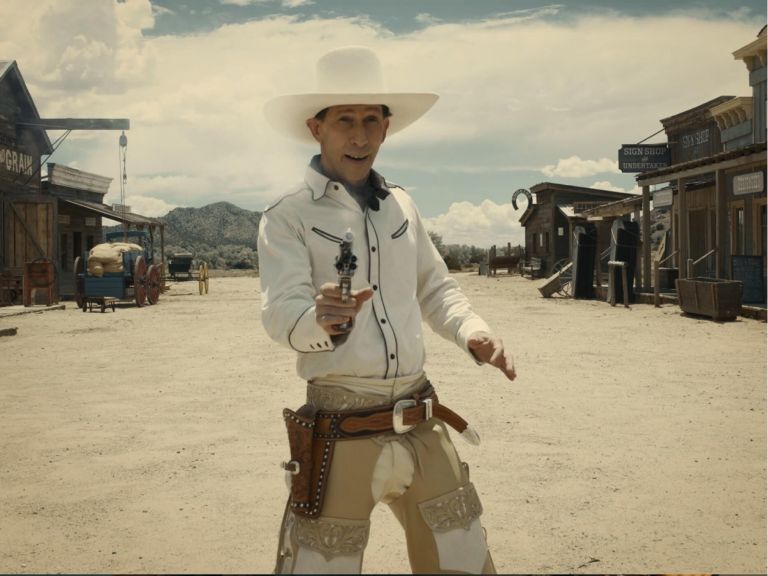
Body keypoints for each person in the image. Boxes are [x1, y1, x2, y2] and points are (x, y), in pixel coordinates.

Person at [258, 45, 516, 575]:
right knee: (319, 567)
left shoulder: (403, 204)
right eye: (345, 121)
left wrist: (473, 331)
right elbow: (280, 312)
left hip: (421, 416)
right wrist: (320, 319)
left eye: (371, 121)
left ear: (385, 127)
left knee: (464, 563)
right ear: (316, 128)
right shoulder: (287, 216)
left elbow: (434, 287)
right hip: (338, 426)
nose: (359, 136)